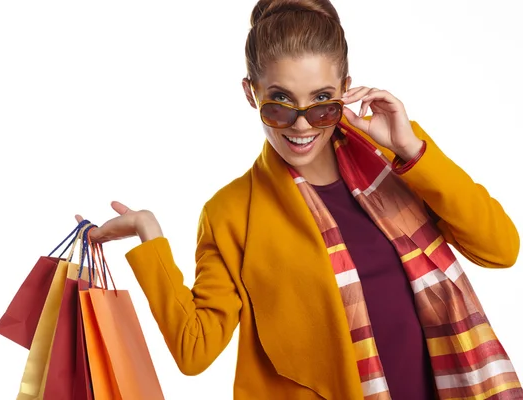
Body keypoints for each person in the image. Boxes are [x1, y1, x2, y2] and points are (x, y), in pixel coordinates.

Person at [76, 0, 521, 398]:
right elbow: (194, 350)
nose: (302, 125)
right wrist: (148, 234)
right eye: (280, 103)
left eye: (323, 102)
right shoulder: (232, 213)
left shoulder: (396, 161)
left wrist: (411, 151)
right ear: (251, 93)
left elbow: (500, 250)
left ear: (346, 90)